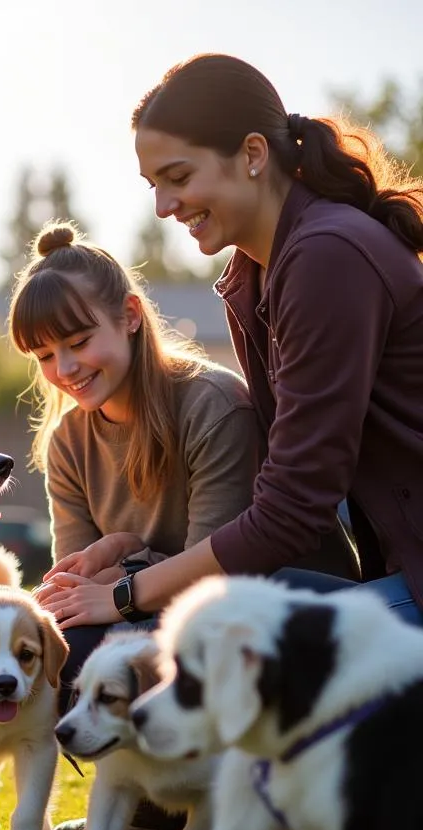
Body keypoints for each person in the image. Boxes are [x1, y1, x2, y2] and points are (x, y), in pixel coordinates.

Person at [48, 52, 423, 633]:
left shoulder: (328, 257)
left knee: (214, 626)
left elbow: (292, 508)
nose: (163, 206)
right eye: (153, 185)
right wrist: (128, 551)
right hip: (395, 573)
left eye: (178, 177)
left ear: (252, 154)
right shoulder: (254, 278)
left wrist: (128, 593)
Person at [7, 221, 262, 830]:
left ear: (128, 316)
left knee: (142, 648)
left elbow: (220, 566)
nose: (64, 368)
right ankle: (149, 805)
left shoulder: (211, 404)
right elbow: (76, 584)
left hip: (248, 609)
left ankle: (234, 803)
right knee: (63, 649)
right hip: (146, 604)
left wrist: (122, 573)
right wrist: (110, 561)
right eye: (44, 356)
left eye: (77, 341)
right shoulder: (68, 440)